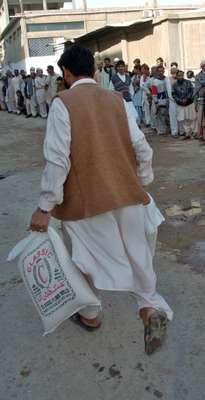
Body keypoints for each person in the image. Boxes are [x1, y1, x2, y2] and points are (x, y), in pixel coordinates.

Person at [29, 45, 172, 355]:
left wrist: (45, 207)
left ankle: (91, 315)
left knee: (82, 259)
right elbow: (142, 148)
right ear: (94, 71)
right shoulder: (117, 100)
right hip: (129, 195)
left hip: (86, 203)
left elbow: (57, 161)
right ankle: (149, 308)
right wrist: (141, 181)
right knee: (138, 255)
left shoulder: (63, 103)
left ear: (66, 73)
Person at [172, 70, 196, 140]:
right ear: (176, 76)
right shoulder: (174, 84)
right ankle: (187, 133)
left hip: (189, 103)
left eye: (182, 75)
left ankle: (193, 133)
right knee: (184, 119)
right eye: (179, 75)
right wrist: (180, 100)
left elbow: (191, 91)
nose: (180, 77)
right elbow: (173, 94)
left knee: (191, 118)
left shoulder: (188, 82)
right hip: (180, 104)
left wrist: (187, 99)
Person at [150, 65, 169, 136]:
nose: (161, 72)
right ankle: (160, 130)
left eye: (162, 71)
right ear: (157, 72)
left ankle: (165, 129)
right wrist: (156, 102)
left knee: (165, 116)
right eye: (159, 71)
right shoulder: (154, 81)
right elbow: (154, 93)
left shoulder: (166, 79)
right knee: (159, 116)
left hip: (166, 100)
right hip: (158, 100)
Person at [166, 64, 179, 137]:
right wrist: (175, 99)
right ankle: (174, 132)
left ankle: (181, 131)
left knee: (180, 116)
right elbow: (169, 91)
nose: (174, 73)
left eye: (175, 71)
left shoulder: (180, 78)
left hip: (180, 101)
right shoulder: (168, 79)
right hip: (173, 101)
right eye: (173, 72)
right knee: (173, 117)